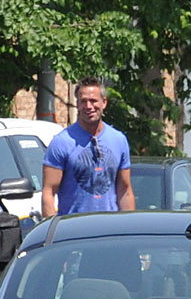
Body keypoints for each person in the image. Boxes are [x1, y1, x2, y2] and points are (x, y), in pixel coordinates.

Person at [41, 78, 134, 217]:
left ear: (104, 103)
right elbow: (48, 192)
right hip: (74, 230)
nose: (89, 106)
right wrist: (53, 232)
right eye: (83, 101)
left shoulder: (119, 140)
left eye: (93, 101)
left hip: (110, 229)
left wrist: (130, 229)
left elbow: (125, 190)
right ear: (77, 104)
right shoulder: (61, 142)